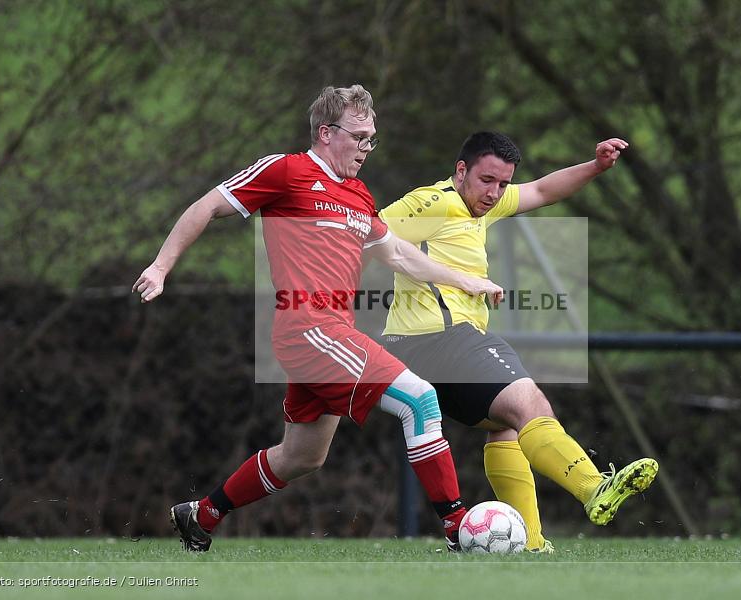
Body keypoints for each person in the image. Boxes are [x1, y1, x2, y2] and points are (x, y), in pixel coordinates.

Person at [132, 86, 504, 552]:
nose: (367, 148)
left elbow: (400, 255)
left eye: (373, 139)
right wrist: (160, 266)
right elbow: (207, 205)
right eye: (360, 137)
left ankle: (201, 515)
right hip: (308, 328)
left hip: (330, 332)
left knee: (302, 456)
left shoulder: (358, 195)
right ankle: (457, 528)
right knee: (420, 399)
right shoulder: (287, 171)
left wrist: (467, 281)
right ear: (327, 133)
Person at [378, 131, 658, 553]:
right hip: (439, 338)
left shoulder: (478, 205)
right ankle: (592, 486)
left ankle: (530, 544)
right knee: (530, 405)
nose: (494, 193)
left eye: (503, 184)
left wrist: (596, 166)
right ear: (460, 171)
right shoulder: (433, 201)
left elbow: (543, 190)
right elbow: (368, 228)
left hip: (422, 348)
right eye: (487, 180)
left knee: (506, 427)